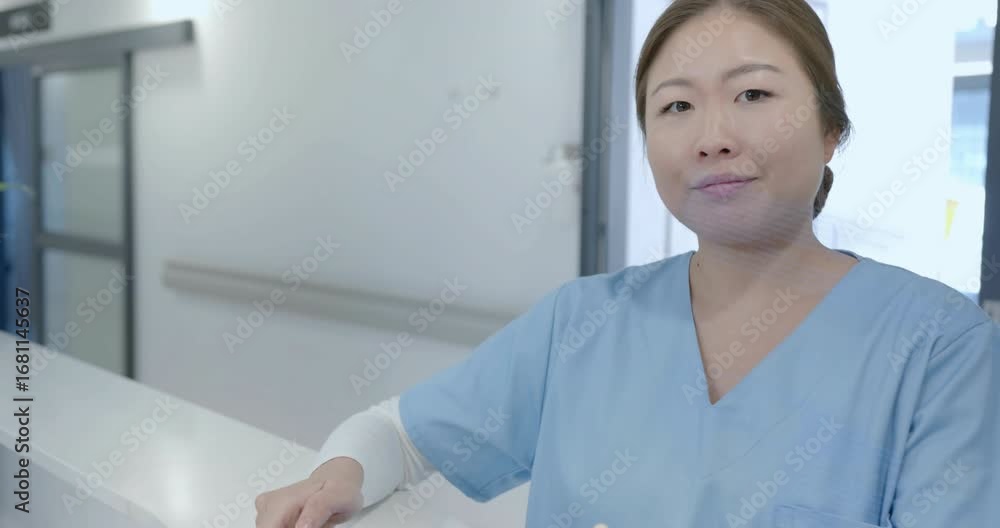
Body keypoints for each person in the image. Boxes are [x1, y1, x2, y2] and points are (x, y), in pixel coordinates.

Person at [255, 0, 998, 526]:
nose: (712, 136)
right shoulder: (583, 322)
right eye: (676, 107)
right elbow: (398, 435)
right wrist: (339, 475)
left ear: (831, 128)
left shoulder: (941, 352)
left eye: (753, 93)